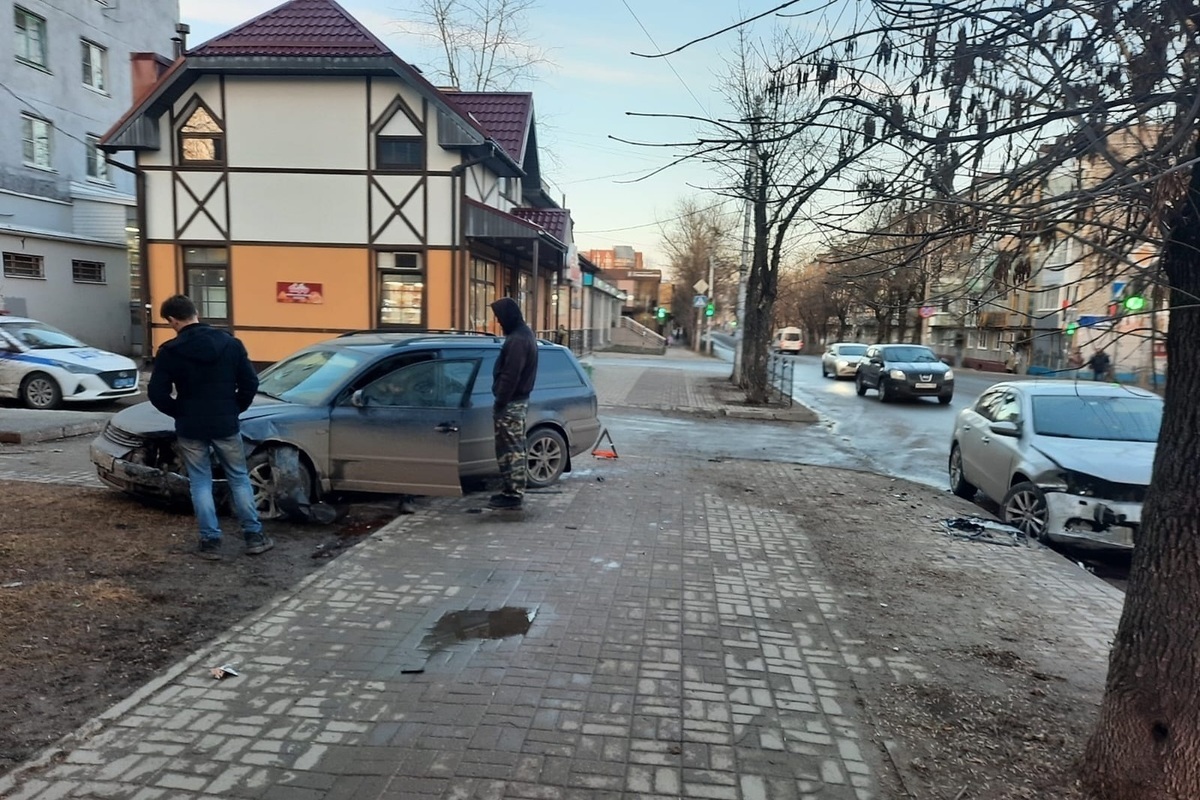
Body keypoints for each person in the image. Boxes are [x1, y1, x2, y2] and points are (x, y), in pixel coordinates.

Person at [148, 295, 270, 559]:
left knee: (200, 481)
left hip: (191, 426)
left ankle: (210, 542)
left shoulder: (169, 351)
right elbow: (250, 383)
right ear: (196, 312)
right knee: (238, 478)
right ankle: (254, 537)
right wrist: (234, 408)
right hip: (225, 422)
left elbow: (157, 393)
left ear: (172, 321)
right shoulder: (231, 344)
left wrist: (180, 412)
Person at [488, 297, 538, 510]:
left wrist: (500, 401)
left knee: (512, 450)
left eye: (499, 317)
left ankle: (513, 493)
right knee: (513, 447)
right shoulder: (524, 335)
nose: (498, 322)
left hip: (511, 403)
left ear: (509, 316)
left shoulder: (517, 340)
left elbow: (510, 375)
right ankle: (511, 489)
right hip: (517, 401)